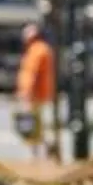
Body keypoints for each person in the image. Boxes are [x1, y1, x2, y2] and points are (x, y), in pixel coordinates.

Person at [14, 22, 57, 157]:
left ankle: (39, 152)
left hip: (36, 94)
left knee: (35, 124)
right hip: (40, 93)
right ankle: (46, 147)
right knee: (39, 123)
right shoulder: (39, 49)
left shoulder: (36, 51)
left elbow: (31, 73)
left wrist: (25, 93)